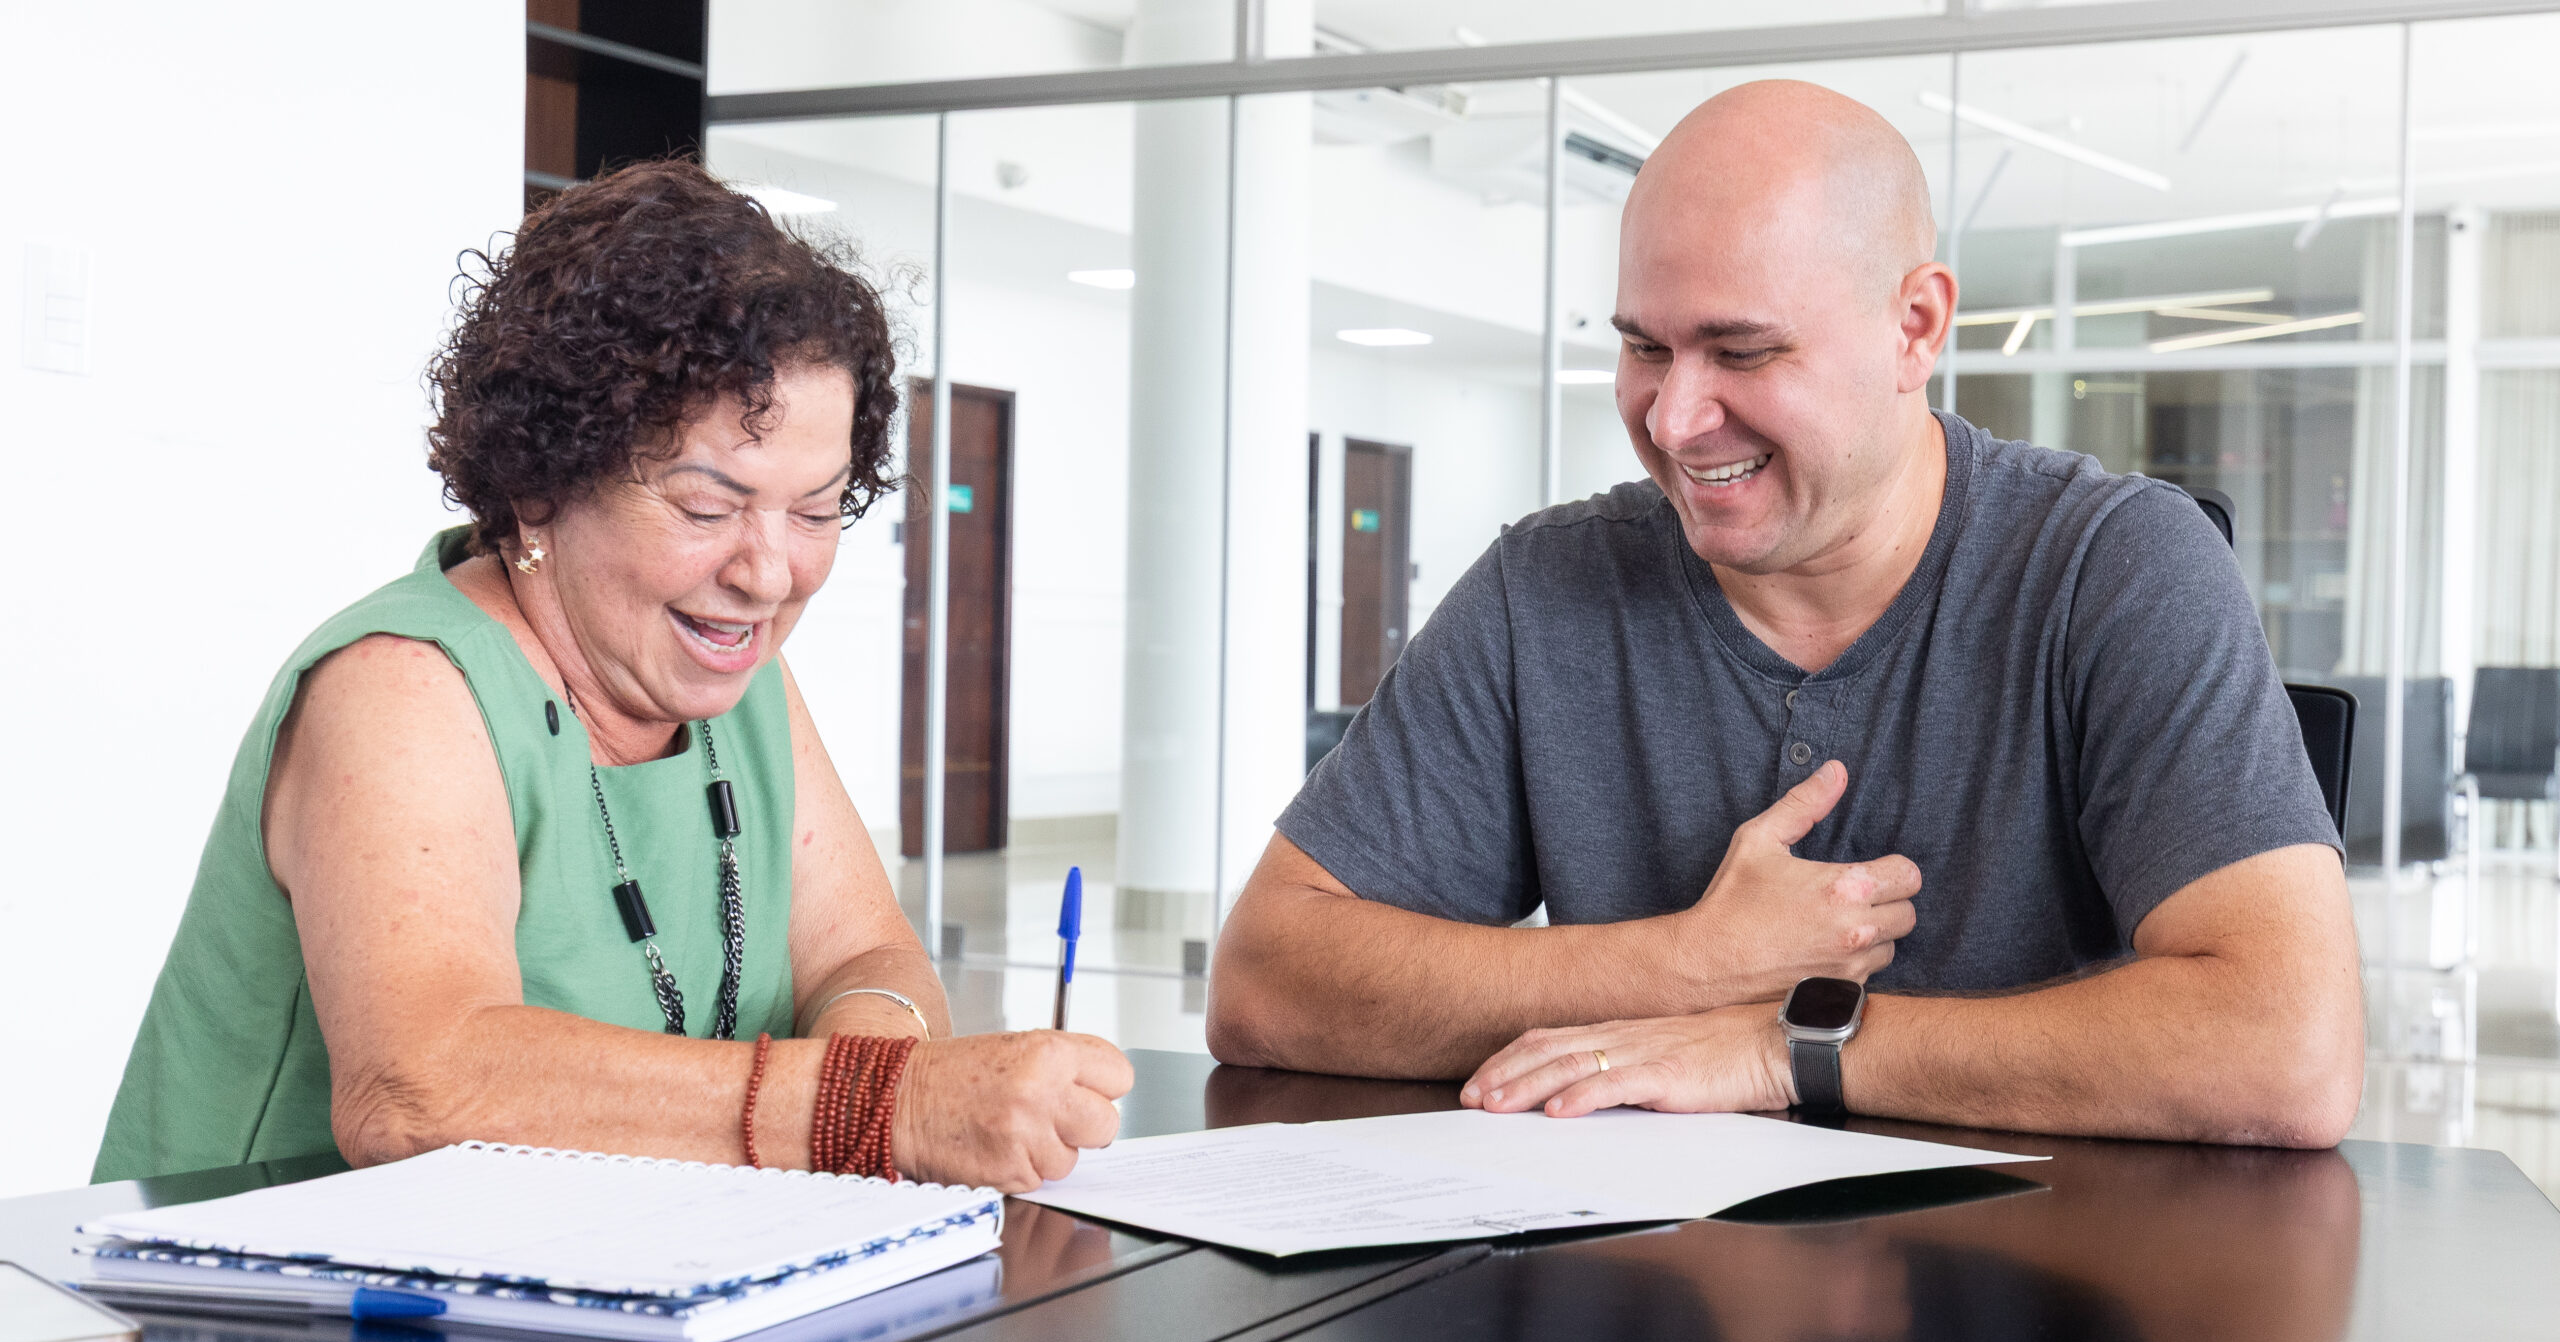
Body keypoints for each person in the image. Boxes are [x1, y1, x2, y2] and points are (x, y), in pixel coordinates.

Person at [1208, 82, 2363, 1148]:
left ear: (1915, 327)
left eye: (1742, 350)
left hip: (2029, 1309)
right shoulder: (1545, 588)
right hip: (1638, 1304)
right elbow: (1266, 984)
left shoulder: (2113, 568)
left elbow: (2287, 1048)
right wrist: (1684, 965)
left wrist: (1785, 1045)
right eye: (1641, 346)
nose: (1671, 418)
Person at [96, 160, 1129, 1188]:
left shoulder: (739, 680)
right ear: (540, 487)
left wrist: (877, 1066)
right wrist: (872, 1110)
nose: (768, 571)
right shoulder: (403, 688)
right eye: (706, 508)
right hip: (263, 1315)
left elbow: (868, 960)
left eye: (814, 511)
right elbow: (419, 1090)